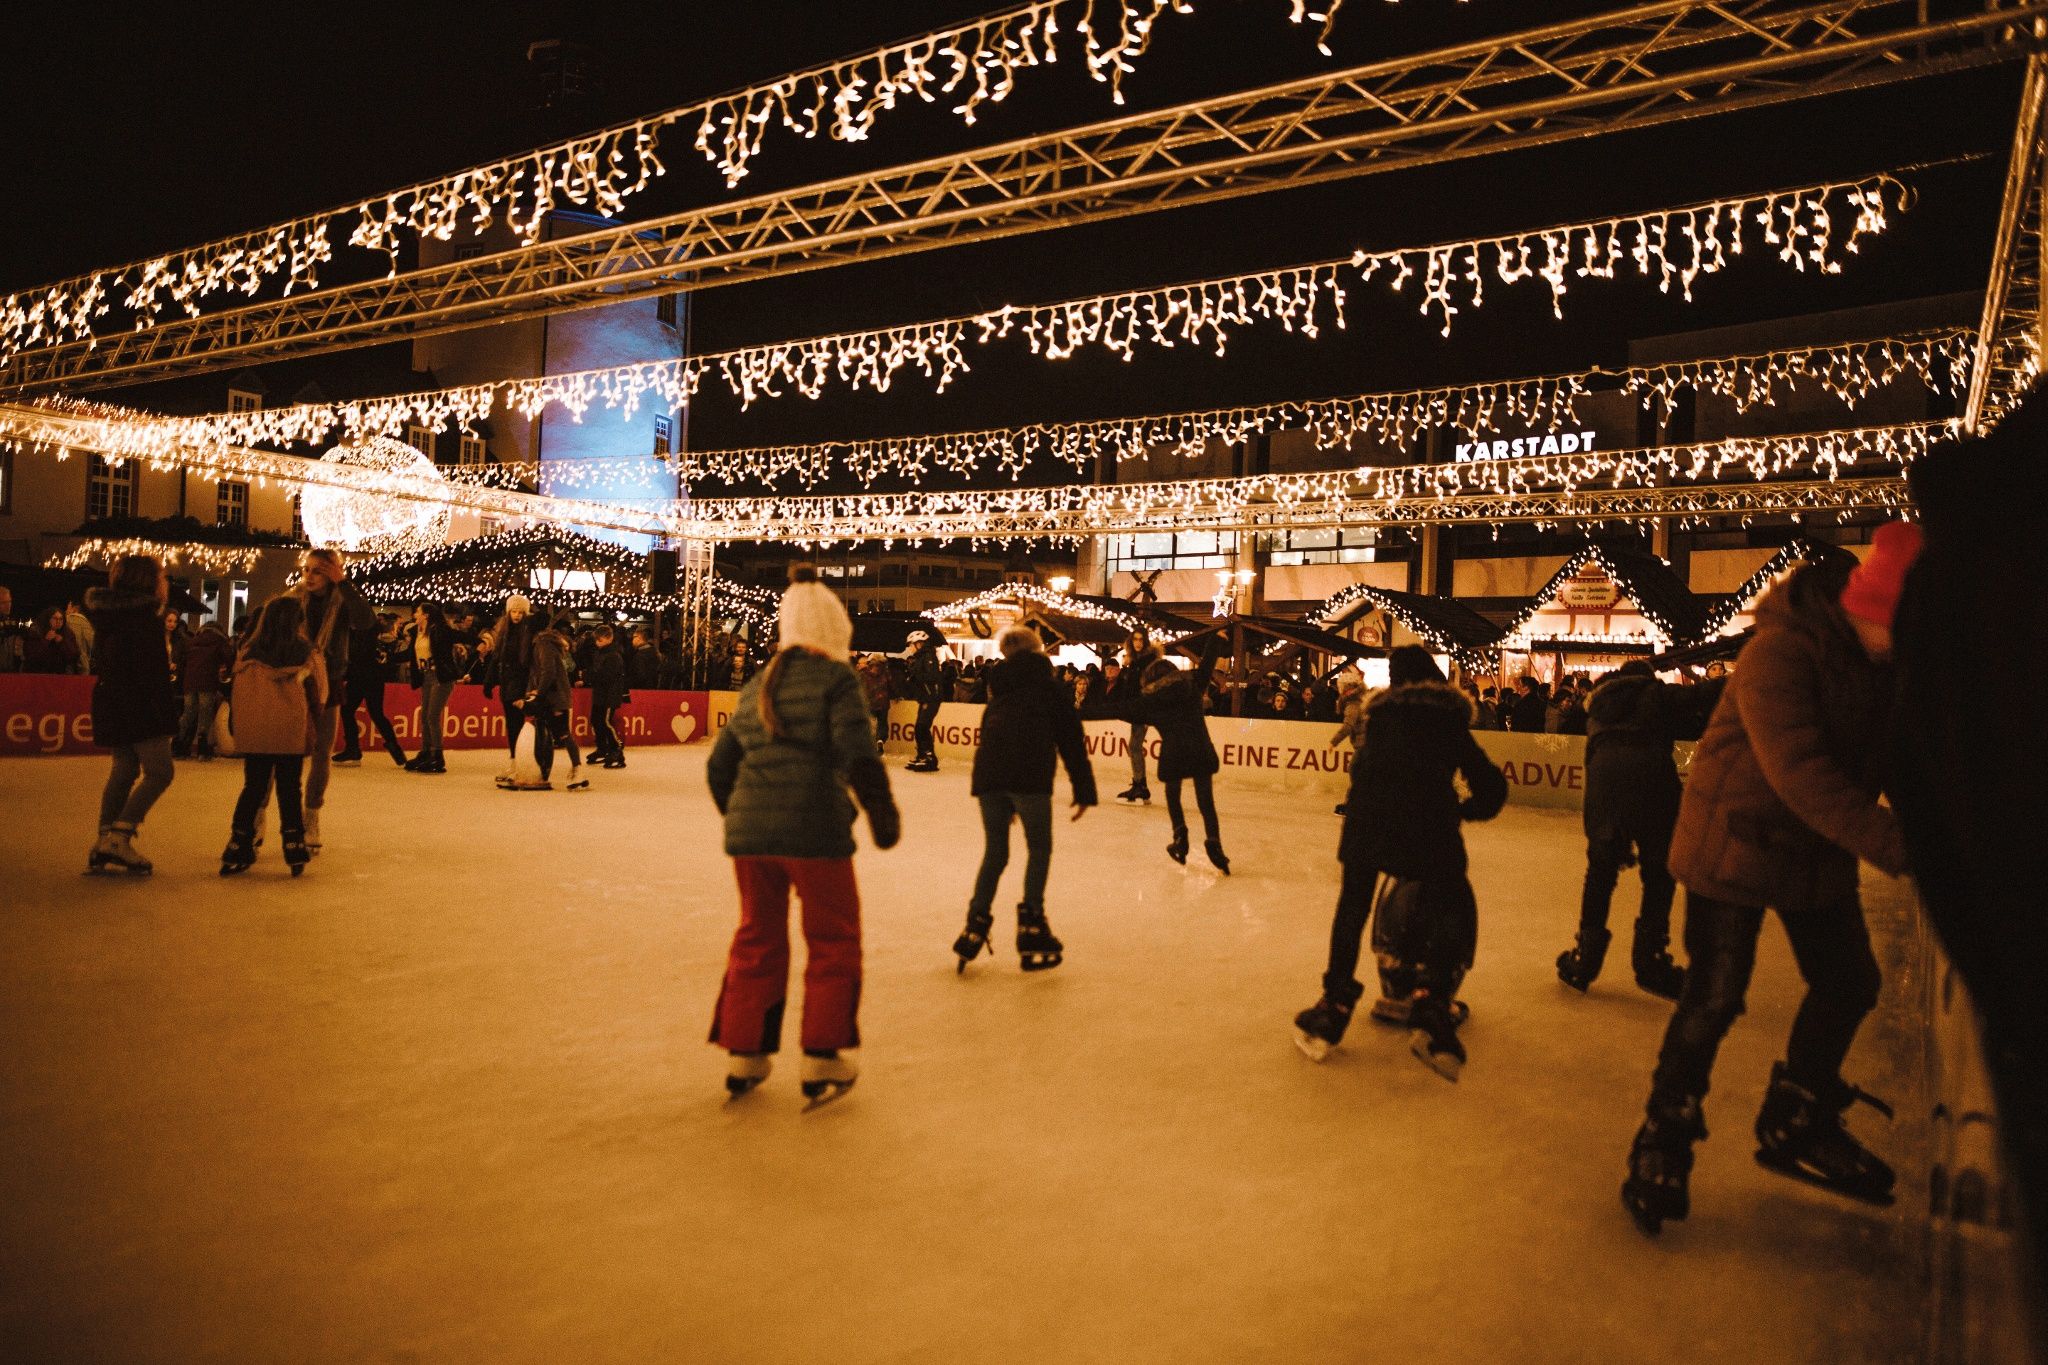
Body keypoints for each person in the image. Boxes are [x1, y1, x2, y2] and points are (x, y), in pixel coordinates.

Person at [1621, 527, 1919, 1236]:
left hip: (1813, 848)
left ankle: (1798, 1114)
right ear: (1866, 606)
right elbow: (1800, 772)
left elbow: (1907, 759)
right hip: (1733, 841)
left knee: (1849, 980)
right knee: (1716, 995)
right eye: (1897, 625)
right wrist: (1905, 849)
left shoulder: (1888, 664)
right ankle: (1663, 1138)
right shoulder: (1778, 650)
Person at [706, 567, 900, 1104]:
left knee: (756, 938)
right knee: (833, 940)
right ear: (836, 631)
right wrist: (881, 810)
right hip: (815, 830)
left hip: (751, 838)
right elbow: (857, 750)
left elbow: (720, 768)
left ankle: (746, 1052)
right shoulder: (838, 681)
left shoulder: (757, 682)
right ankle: (820, 1056)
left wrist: (745, 817)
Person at [1292, 646, 1506, 1078]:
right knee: (1449, 896)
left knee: (1353, 905)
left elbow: (1362, 773)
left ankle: (1333, 1008)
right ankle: (1432, 1007)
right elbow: (1491, 786)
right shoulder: (1447, 720)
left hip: (1367, 821)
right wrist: (1463, 812)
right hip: (1429, 825)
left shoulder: (1378, 718)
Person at [1555, 661, 1719, 999]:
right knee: (1659, 873)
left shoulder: (1598, 706)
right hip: (1652, 783)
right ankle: (1651, 962)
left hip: (1604, 785)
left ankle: (1585, 959)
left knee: (1600, 873)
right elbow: (1702, 695)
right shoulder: (1654, 694)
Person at [952, 625, 1098, 973]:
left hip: (990, 777)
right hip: (1029, 777)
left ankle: (975, 924)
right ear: (1037, 652)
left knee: (995, 852)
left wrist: (1002, 791)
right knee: (1039, 848)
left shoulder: (998, 689)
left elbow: (990, 734)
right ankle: (1031, 924)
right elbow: (1071, 739)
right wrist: (1084, 790)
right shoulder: (1049, 687)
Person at [83, 556, 180, 875]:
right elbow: (150, 674)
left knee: (123, 769)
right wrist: (165, 717)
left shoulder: (109, 616)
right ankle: (119, 836)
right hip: (141, 706)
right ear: (148, 582)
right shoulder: (144, 620)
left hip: (113, 700)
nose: (165, 582)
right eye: (162, 576)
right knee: (160, 771)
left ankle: (104, 837)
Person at [219, 595, 325, 877]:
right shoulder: (305, 652)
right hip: (290, 731)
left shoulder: (248, 652)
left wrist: (239, 725)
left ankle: (238, 840)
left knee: (253, 787)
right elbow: (318, 693)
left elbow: (236, 692)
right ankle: (293, 842)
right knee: (289, 789)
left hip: (256, 734)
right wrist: (315, 721)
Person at [294, 548, 376, 854]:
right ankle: (261, 812)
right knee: (282, 753)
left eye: (318, 571)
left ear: (332, 574)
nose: (310, 576)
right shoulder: (292, 601)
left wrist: (344, 584)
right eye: (307, 570)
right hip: (294, 685)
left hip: (327, 685)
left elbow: (365, 620)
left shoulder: (341, 602)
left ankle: (311, 813)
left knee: (321, 754)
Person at [1132, 639, 1229, 872]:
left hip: (1174, 753)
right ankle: (1213, 841)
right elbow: (1206, 666)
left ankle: (1180, 836)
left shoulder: (1155, 703)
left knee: (1172, 794)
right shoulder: (1193, 688)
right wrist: (1217, 642)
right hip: (1199, 749)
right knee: (1205, 800)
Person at [512, 616, 587, 792]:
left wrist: (538, 692)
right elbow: (536, 672)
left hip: (555, 697)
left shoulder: (543, 643)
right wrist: (532, 691)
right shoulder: (539, 643)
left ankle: (577, 769)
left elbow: (548, 671)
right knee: (552, 732)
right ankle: (539, 769)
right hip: (549, 695)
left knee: (562, 733)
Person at [483, 594, 543, 787]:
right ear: (508, 613)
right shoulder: (504, 632)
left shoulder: (528, 629)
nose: (517, 615)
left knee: (519, 724)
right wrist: (489, 681)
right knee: (511, 725)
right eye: (514, 611)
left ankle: (524, 763)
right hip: (507, 683)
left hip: (522, 683)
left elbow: (544, 619)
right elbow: (496, 658)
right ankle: (514, 761)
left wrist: (530, 614)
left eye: (520, 612)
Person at [335, 615, 408, 769]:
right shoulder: (358, 629)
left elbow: (359, 653)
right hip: (362, 677)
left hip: (367, 677)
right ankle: (355, 749)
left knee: (372, 713)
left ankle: (355, 749)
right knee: (352, 710)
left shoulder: (365, 630)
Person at [406, 602, 460, 774]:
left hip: (441, 677)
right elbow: (410, 654)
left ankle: (437, 756)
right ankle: (426, 752)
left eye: (418, 612)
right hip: (427, 677)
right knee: (425, 716)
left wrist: (481, 641)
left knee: (432, 716)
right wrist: (387, 658)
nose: (415, 614)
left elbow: (456, 635)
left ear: (426, 615)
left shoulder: (438, 630)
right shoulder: (418, 633)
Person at [172, 615, 233, 760]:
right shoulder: (220, 640)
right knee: (205, 715)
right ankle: (203, 749)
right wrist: (227, 672)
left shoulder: (192, 641)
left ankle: (177, 744)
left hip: (190, 682)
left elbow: (183, 662)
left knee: (188, 713)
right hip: (207, 681)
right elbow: (229, 658)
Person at [1113, 629, 1161, 803]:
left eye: (1141, 640)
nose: (1138, 643)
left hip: (1144, 709)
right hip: (1137, 709)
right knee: (1134, 746)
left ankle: (1140, 786)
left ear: (1146, 642)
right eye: (1135, 640)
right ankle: (1140, 785)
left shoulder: (1149, 661)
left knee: (1134, 746)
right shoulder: (1136, 661)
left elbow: (1154, 686)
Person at [902, 625, 944, 773]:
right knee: (919, 727)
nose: (910, 648)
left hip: (931, 697)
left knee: (922, 727)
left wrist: (915, 675)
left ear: (919, 644)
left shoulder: (928, 657)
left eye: (911, 645)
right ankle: (923, 755)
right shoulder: (920, 658)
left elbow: (931, 677)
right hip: (925, 697)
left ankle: (929, 757)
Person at [589, 625, 629, 768]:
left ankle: (616, 750)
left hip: (609, 696)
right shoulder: (600, 653)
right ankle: (602, 748)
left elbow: (607, 676)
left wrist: (588, 677)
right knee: (595, 721)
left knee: (605, 722)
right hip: (600, 694)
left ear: (608, 638)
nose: (597, 643)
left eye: (599, 640)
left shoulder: (614, 655)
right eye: (596, 640)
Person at [24, 606, 81, 674]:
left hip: (61, 674)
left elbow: (74, 655)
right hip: (39, 673)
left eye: (61, 619)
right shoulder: (36, 631)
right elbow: (31, 655)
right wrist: (46, 640)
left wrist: (62, 643)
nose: (58, 622)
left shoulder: (67, 633)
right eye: (55, 618)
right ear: (48, 619)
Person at [64, 596, 94, 674]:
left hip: (66, 661)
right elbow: (91, 642)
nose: (66, 610)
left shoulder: (63, 621)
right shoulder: (87, 623)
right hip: (82, 662)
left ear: (74, 608)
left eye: (68, 607)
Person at [0, 586, 23, 673]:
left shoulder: (10, 624)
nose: (8, 605)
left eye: (9, 602)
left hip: (9, 674)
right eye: (3, 603)